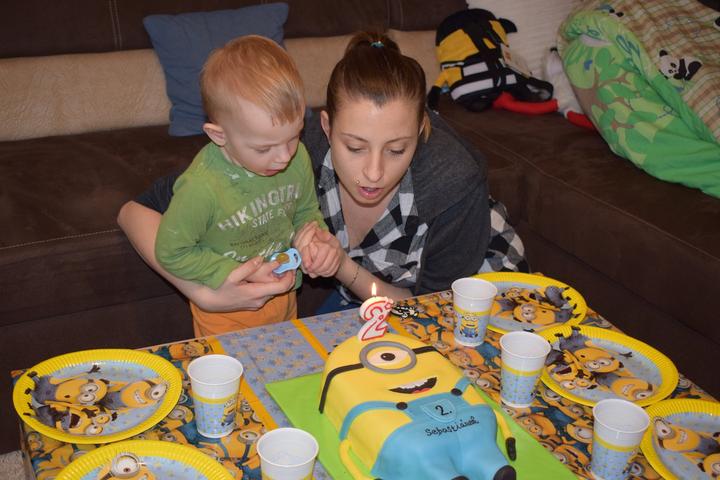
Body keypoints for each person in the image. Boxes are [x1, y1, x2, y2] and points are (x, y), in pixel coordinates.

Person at [117, 32, 527, 316]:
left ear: (421, 132)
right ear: (326, 128)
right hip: (367, 298)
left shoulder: (453, 181)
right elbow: (135, 210)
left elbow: (432, 311)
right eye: (354, 147)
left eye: (397, 149)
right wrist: (204, 293)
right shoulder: (293, 149)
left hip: (472, 300)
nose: (373, 173)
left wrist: (341, 267)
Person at [149, 35, 341, 336]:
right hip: (227, 312)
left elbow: (305, 212)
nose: (285, 156)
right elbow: (171, 252)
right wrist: (233, 273)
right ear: (219, 135)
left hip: (284, 299)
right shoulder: (202, 187)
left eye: (294, 137)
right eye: (264, 148)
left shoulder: (297, 157)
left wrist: (313, 242)